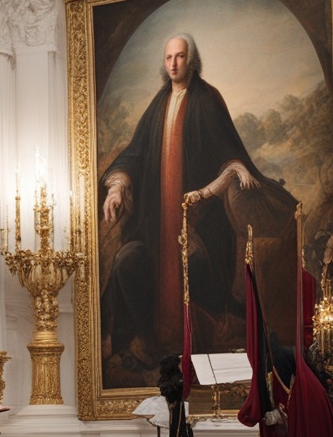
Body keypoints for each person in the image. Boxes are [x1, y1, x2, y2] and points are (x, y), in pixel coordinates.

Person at [100, 34, 296, 377]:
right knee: (127, 262)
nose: (173, 64)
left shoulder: (207, 99)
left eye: (179, 57)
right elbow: (135, 153)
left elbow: (228, 151)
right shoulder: (159, 104)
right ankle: (149, 340)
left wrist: (226, 175)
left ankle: (197, 348)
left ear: (191, 60)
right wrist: (117, 187)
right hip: (157, 229)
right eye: (168, 58)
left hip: (202, 225)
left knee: (200, 276)